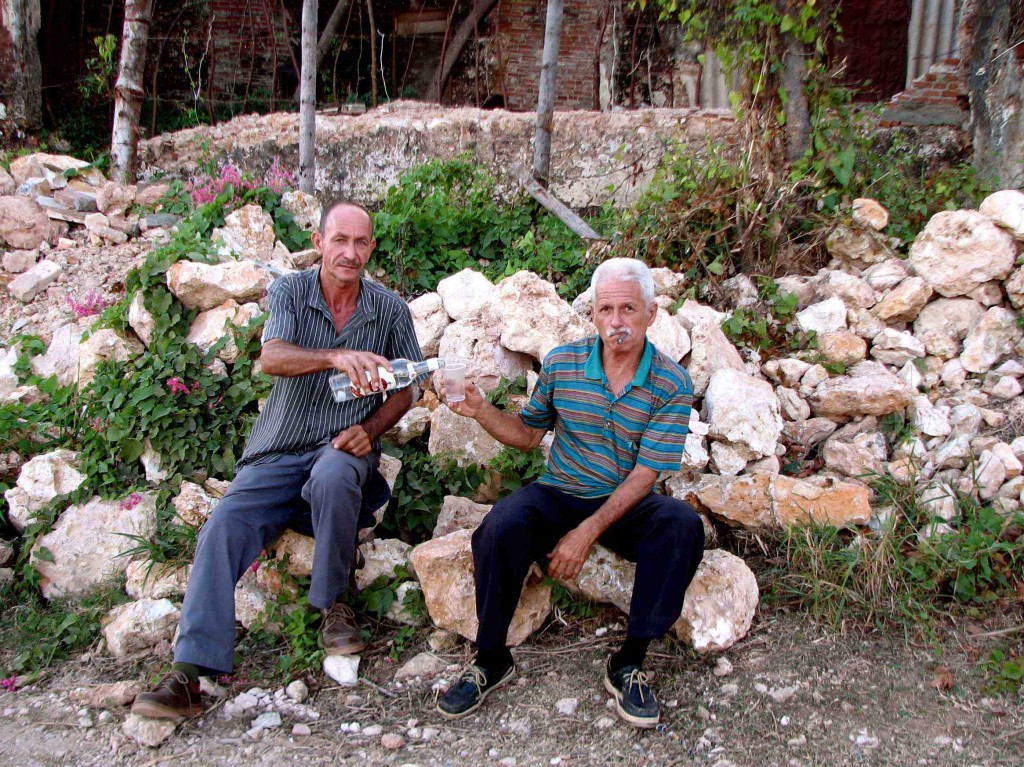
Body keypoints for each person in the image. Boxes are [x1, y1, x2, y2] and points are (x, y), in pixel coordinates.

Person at [132, 201, 424, 720]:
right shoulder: (291, 290)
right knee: (223, 524)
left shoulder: (389, 310)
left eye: (361, 243)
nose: (350, 253)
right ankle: (190, 672)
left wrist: (370, 429)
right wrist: (334, 357)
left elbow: (410, 386)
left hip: (340, 447)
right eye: (340, 241)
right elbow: (271, 357)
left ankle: (334, 605)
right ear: (319, 241)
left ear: (371, 248)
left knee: (336, 477)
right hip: (276, 450)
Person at [436, 258, 705, 728]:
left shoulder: (670, 383)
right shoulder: (563, 363)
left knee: (682, 527)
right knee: (502, 523)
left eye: (628, 309)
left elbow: (646, 474)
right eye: (606, 310)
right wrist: (480, 411)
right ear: (594, 315)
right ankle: (490, 657)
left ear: (651, 313)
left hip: (626, 501)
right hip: (561, 488)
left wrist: (587, 532)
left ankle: (630, 661)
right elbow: (526, 435)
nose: (617, 322)